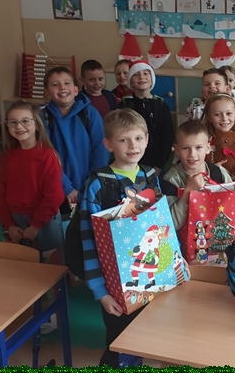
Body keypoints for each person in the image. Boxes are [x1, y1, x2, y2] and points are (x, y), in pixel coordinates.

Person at [78, 108, 160, 367]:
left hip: (150, 274)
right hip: (114, 281)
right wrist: (100, 291)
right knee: (120, 342)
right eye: (123, 140)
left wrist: (176, 264)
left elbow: (161, 227)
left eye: (138, 138)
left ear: (146, 140)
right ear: (108, 144)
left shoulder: (150, 176)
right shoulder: (98, 183)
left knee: (146, 335)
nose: (132, 146)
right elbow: (88, 240)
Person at [0, 101, 65, 259]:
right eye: (13, 122)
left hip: (45, 220)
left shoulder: (47, 155)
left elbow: (54, 196)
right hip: (15, 220)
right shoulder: (6, 156)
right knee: (20, 264)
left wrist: (35, 226)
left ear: (37, 125)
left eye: (25, 121)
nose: (19, 126)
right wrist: (9, 225)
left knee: (51, 264)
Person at [41, 67, 109, 220]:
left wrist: (89, 184)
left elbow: (101, 151)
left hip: (90, 188)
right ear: (47, 93)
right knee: (62, 229)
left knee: (88, 228)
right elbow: (44, 156)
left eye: (67, 83)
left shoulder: (89, 113)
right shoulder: (42, 118)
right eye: (55, 85)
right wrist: (67, 188)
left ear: (76, 90)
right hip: (56, 189)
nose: (62, 87)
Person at [160, 121, 233, 230]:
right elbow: (171, 224)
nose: (192, 154)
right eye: (185, 148)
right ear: (177, 150)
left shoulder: (219, 173)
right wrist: (188, 191)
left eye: (198, 147)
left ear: (207, 148)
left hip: (221, 236)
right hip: (187, 239)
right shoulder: (171, 180)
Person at [119, 61, 174, 173]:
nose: (141, 77)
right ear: (130, 81)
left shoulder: (160, 105)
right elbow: (118, 134)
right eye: (136, 74)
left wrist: (159, 165)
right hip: (130, 162)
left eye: (145, 73)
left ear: (152, 79)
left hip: (155, 164)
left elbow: (167, 137)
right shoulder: (124, 104)